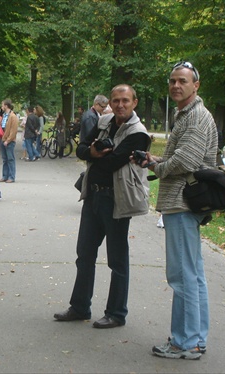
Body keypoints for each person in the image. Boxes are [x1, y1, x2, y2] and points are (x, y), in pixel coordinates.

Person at [137, 62, 217, 360]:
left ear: (196, 85)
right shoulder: (186, 114)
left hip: (183, 202)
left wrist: (157, 166)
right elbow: (182, 157)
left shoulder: (195, 116)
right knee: (193, 275)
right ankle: (197, 337)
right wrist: (156, 159)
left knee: (182, 276)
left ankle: (185, 342)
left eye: (182, 81)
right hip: (183, 201)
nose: (175, 86)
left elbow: (187, 161)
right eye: (172, 81)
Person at [54, 84, 150, 330]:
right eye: (116, 100)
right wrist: (93, 152)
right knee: (84, 254)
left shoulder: (139, 133)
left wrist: (94, 154)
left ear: (134, 102)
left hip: (117, 200)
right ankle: (79, 307)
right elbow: (81, 149)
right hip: (93, 198)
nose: (120, 105)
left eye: (125, 100)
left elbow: (112, 164)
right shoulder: (104, 121)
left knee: (117, 260)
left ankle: (116, 313)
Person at [0, 99, 19, 183]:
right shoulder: (4, 115)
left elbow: (13, 130)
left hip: (9, 140)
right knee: (5, 159)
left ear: (6, 106)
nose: (1, 107)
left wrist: (8, 140)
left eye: (2, 105)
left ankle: (11, 176)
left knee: (10, 159)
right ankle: (5, 175)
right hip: (3, 139)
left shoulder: (12, 116)